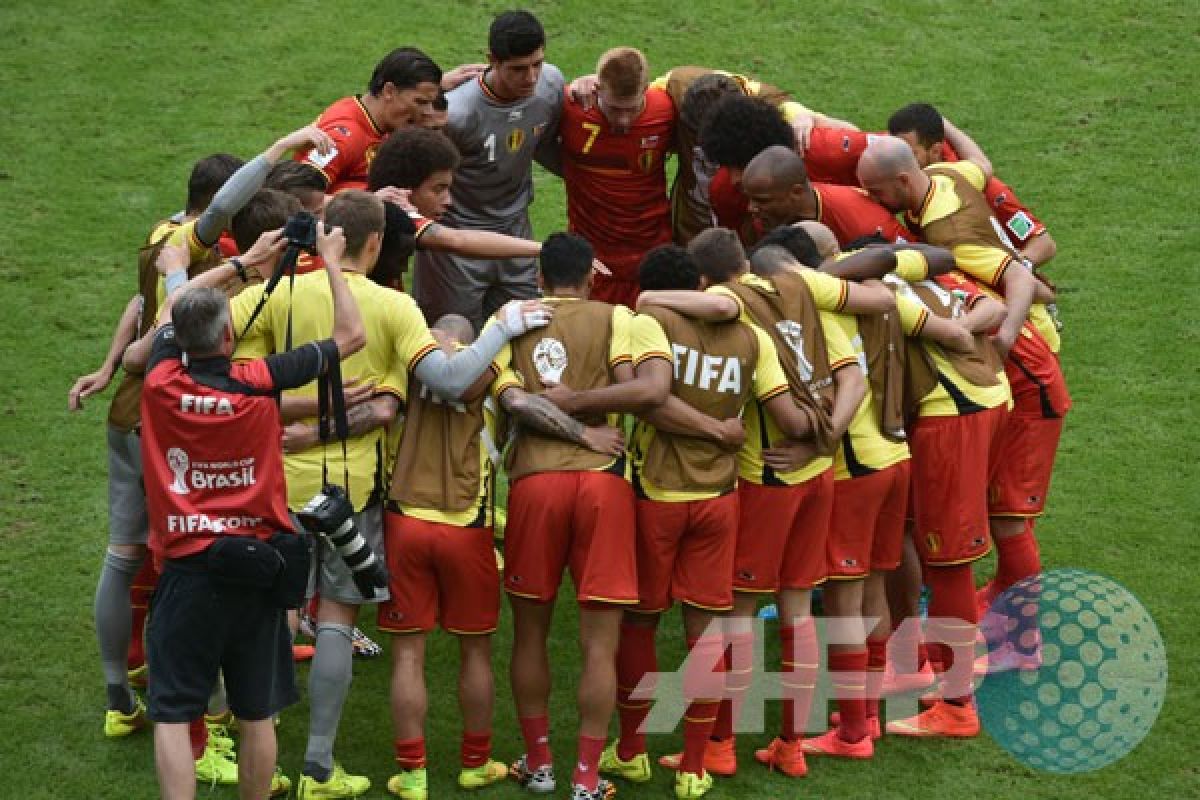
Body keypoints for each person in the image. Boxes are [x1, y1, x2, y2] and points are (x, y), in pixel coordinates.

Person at [227, 189, 553, 798]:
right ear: (375, 244)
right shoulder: (397, 307)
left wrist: (296, 424)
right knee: (337, 618)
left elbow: (233, 379)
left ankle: (257, 755)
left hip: (275, 482)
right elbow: (451, 379)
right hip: (354, 492)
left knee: (272, 616)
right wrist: (499, 329)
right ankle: (319, 768)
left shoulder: (270, 297)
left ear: (328, 234)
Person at [553, 243, 813, 799]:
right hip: (721, 499)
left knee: (641, 624)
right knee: (706, 631)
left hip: (656, 499)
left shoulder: (652, 320)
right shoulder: (752, 336)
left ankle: (632, 751)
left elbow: (653, 398)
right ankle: (696, 765)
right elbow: (787, 414)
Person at [122, 218, 366, 800]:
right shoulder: (259, 381)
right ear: (228, 339)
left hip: (186, 574)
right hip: (258, 575)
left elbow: (172, 309)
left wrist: (239, 262)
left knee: (175, 712)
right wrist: (332, 259)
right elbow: (350, 337)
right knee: (257, 713)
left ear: (180, 342)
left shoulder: (160, 381)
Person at [636, 228, 889, 778]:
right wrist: (828, 440)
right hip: (820, 476)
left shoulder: (737, 310)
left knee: (736, 614)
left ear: (704, 280)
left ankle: (722, 743)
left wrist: (652, 298)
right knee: (797, 611)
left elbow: (715, 305)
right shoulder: (800, 286)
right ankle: (791, 746)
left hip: (768, 479)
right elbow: (853, 379)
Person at [856, 138, 1070, 652]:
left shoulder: (950, 234)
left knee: (1007, 518)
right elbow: (981, 166)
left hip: (1024, 376)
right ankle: (1000, 616)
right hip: (1000, 378)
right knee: (971, 522)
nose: (868, 196)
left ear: (906, 180)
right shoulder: (947, 180)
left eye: (873, 189)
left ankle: (1020, 638)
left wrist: (1004, 334)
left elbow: (1019, 279)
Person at [822, 243, 1012, 738]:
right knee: (913, 535)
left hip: (953, 416)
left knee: (948, 562)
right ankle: (912, 664)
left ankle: (957, 706)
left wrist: (956, 334)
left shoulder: (864, 291)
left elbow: (954, 327)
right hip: (984, 395)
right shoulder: (901, 268)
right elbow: (987, 303)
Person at [493, 233, 642, 800]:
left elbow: (509, 402)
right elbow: (635, 392)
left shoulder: (510, 319)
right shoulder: (616, 316)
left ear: (539, 278)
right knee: (599, 644)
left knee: (529, 633)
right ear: (590, 277)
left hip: (534, 485)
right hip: (604, 483)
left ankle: (539, 764)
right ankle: (585, 777)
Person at [412, 10, 566, 330]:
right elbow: (420, 179)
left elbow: (549, 146)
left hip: (515, 232)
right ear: (492, 60)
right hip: (458, 243)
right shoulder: (457, 114)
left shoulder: (551, 85)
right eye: (518, 69)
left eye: (537, 64)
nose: (531, 78)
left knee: (528, 333)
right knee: (453, 339)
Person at [365, 128, 547, 292]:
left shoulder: (372, 202)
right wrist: (546, 249)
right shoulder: (392, 208)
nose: (448, 201)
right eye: (438, 189)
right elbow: (456, 240)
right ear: (405, 188)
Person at [559, 47, 675, 306]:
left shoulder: (666, 110)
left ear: (646, 89)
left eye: (632, 110)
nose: (623, 121)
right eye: (614, 109)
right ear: (597, 88)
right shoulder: (570, 107)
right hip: (594, 259)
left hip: (653, 254)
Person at [886, 102, 1057, 268]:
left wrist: (1013, 272)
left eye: (909, 154)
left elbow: (1044, 244)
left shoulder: (985, 190)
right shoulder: (910, 189)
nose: (901, 162)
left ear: (936, 151)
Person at [295, 47, 443, 194]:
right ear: (389, 91)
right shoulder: (344, 137)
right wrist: (370, 201)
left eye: (430, 102)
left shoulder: (380, 121)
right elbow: (297, 194)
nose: (428, 112)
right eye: (420, 102)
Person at [739, 145, 913, 247]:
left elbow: (920, 260)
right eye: (750, 198)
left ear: (796, 193)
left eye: (762, 200)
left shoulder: (865, 223)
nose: (751, 208)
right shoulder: (766, 219)